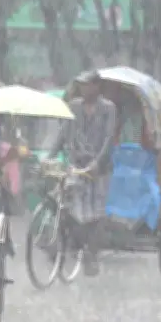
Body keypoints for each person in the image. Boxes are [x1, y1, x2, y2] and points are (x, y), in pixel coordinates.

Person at [47, 70, 117, 276]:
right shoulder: (74, 107)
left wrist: (97, 162)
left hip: (99, 167)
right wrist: (50, 157)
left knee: (95, 213)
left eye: (88, 85)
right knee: (67, 201)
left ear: (97, 86)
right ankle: (64, 241)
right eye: (82, 85)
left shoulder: (108, 109)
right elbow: (63, 134)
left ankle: (92, 253)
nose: (84, 89)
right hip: (76, 164)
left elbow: (108, 138)